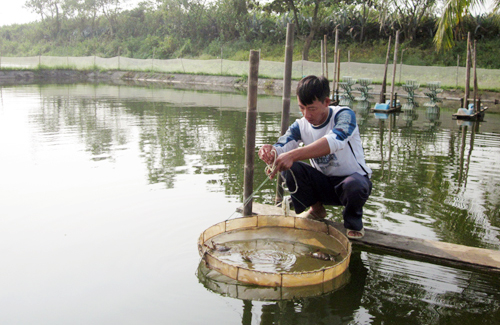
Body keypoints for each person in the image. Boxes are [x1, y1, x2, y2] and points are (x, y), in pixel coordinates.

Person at [258, 75, 372, 239]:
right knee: (289, 168)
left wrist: (293, 155)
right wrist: (271, 152)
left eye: (311, 108)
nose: (306, 115)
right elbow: (284, 145)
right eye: (301, 108)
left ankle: (353, 222)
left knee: (355, 185)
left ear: (327, 102)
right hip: (324, 184)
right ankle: (316, 209)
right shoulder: (301, 125)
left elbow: (334, 142)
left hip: (351, 183)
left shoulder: (344, 115)